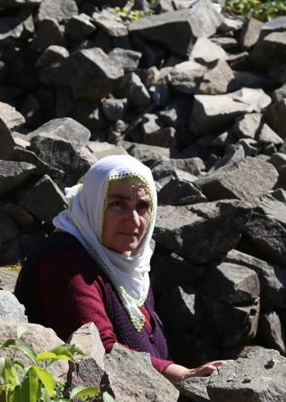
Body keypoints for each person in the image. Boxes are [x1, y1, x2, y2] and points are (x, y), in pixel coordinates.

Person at [15, 154, 226, 385]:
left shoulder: (128, 261)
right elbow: (97, 350)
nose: (134, 220)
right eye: (118, 204)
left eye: (143, 206)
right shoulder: (65, 263)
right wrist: (183, 375)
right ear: (95, 205)